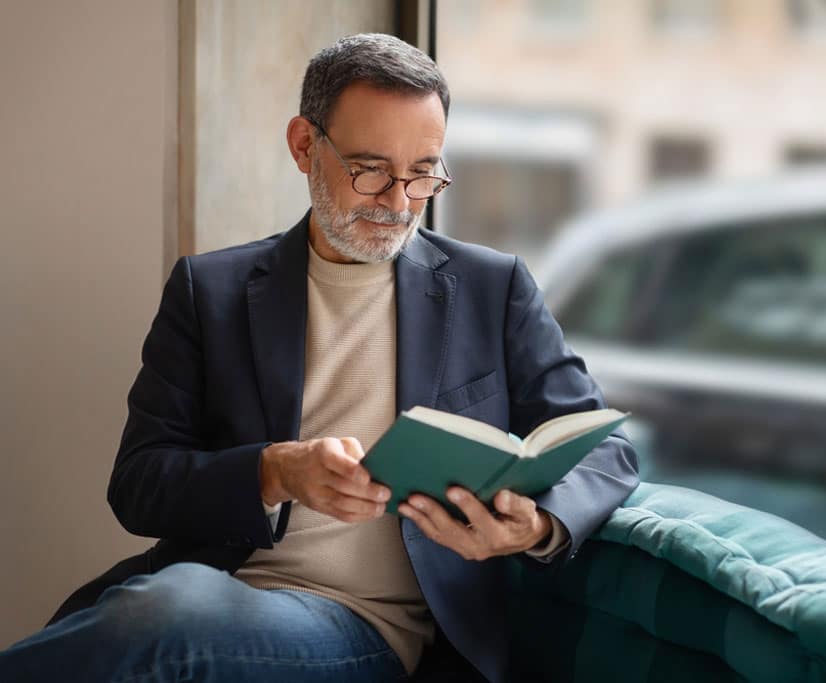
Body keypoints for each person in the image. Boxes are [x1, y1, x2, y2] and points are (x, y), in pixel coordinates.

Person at [0, 33, 638, 683]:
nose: (398, 201)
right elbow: (138, 485)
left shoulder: (490, 288)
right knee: (165, 607)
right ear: (305, 145)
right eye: (370, 169)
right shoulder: (210, 291)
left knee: (162, 615)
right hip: (214, 589)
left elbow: (606, 448)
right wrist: (273, 472)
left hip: (371, 628)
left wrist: (534, 527)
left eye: (423, 171)